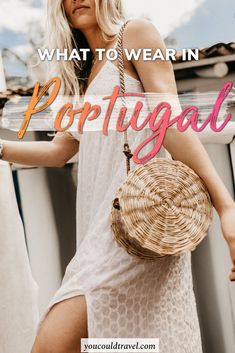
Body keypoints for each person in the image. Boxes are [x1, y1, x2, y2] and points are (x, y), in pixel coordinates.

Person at [0, 1, 235, 352]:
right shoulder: (80, 73)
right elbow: (59, 151)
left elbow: (167, 119)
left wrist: (226, 206)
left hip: (139, 223)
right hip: (100, 226)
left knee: (51, 342)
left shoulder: (134, 34)